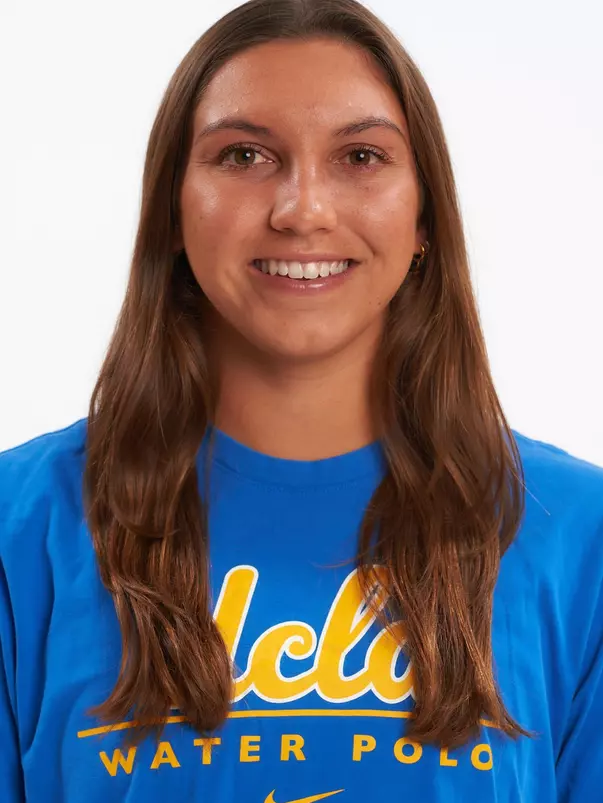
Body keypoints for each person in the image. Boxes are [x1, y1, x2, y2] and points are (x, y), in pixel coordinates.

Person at [1, 0, 602, 800]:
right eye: (244, 154)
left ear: (423, 216)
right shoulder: (20, 527)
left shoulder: (577, 536)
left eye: (360, 156)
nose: (301, 210)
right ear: (174, 209)